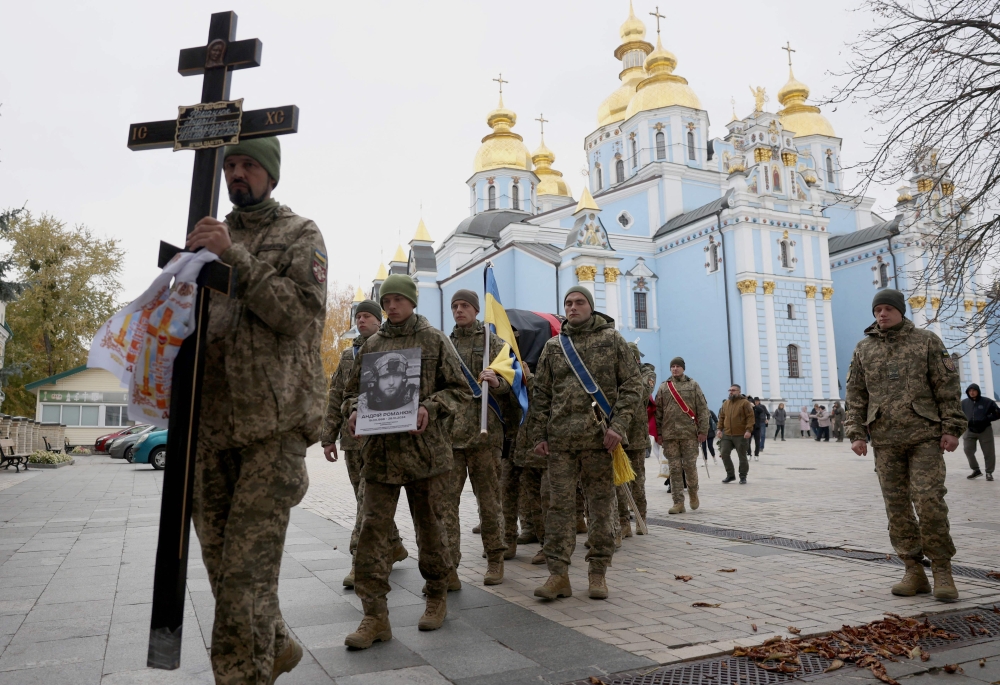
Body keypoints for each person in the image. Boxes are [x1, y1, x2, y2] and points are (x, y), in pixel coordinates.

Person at [187, 137, 325, 683]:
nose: (237, 174)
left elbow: (297, 315)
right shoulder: (201, 240)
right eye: (231, 166)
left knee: (245, 578)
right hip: (212, 427)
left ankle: (244, 677)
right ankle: (279, 643)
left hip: (275, 428)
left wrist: (234, 256)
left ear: (270, 175)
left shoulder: (300, 234)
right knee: (223, 568)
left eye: (249, 165)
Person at [342, 274, 473, 648]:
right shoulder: (372, 345)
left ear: (413, 302)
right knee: (372, 533)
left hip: (425, 457)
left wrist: (431, 407)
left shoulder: (433, 339)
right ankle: (374, 616)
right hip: (380, 457)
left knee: (430, 529)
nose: (391, 306)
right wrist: (353, 412)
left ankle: (435, 596)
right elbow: (352, 394)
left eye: (398, 299)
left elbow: (461, 390)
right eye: (386, 301)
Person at [846, 289, 966, 601]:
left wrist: (952, 427)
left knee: (928, 502)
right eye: (877, 310)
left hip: (925, 436)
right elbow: (856, 394)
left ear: (900, 311)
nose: (881, 315)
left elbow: (947, 386)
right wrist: (856, 432)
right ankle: (913, 570)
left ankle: (942, 570)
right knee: (897, 508)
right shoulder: (864, 348)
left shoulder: (926, 341)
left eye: (887, 309)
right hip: (885, 440)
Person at [529, 286, 643, 601]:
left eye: (579, 302)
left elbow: (633, 385)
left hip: (600, 441)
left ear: (590, 307)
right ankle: (558, 575)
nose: (573, 307)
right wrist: (539, 435)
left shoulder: (612, 340)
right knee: (559, 509)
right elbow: (541, 394)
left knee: (601, 508)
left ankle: (597, 574)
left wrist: (618, 426)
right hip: (561, 442)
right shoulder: (553, 347)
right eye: (568, 303)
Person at [321, 300, 408, 589]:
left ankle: (359, 561)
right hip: (353, 440)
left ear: (378, 319)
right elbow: (336, 396)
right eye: (358, 317)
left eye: (367, 316)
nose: (361, 321)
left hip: (383, 440)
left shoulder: (392, 349)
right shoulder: (349, 355)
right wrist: (327, 437)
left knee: (365, 501)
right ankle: (394, 545)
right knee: (366, 501)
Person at [443, 290, 510, 585]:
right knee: (445, 506)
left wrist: (497, 382)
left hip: (485, 438)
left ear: (475, 309)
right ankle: (449, 567)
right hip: (451, 439)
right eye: (455, 306)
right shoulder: (443, 345)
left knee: (490, 503)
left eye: (465, 306)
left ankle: (495, 559)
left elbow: (512, 380)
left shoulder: (492, 343)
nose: (459, 310)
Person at [654, 357, 709, 514]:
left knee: (690, 467)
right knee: (674, 469)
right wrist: (659, 433)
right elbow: (658, 412)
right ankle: (678, 502)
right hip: (669, 435)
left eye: (678, 366)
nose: (675, 369)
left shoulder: (693, 385)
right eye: (672, 366)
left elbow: (702, 408)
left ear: (683, 368)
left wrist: (703, 431)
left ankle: (693, 493)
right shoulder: (664, 387)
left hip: (689, 434)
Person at [617, 343, 655, 536]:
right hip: (619, 433)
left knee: (637, 481)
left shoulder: (647, 373)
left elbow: (641, 392)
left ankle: (641, 519)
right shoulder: (617, 372)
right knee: (619, 482)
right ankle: (623, 523)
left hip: (637, 436)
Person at [961, 383, 999, 480]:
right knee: (967, 449)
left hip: (985, 429)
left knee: (988, 452)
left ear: (978, 391)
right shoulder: (964, 403)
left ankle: (989, 473)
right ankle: (976, 470)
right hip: (969, 429)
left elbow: (998, 413)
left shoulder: (987, 402)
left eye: (974, 390)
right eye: (970, 391)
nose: (972, 393)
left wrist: (986, 418)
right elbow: (958, 414)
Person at [717, 385, 755, 484]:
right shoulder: (726, 403)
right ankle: (730, 475)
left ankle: (743, 476)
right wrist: (719, 429)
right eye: (730, 390)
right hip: (727, 434)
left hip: (741, 434)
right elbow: (721, 417)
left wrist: (748, 430)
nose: (731, 392)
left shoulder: (745, 403)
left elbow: (750, 417)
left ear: (739, 391)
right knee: (724, 453)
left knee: (742, 456)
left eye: (733, 390)